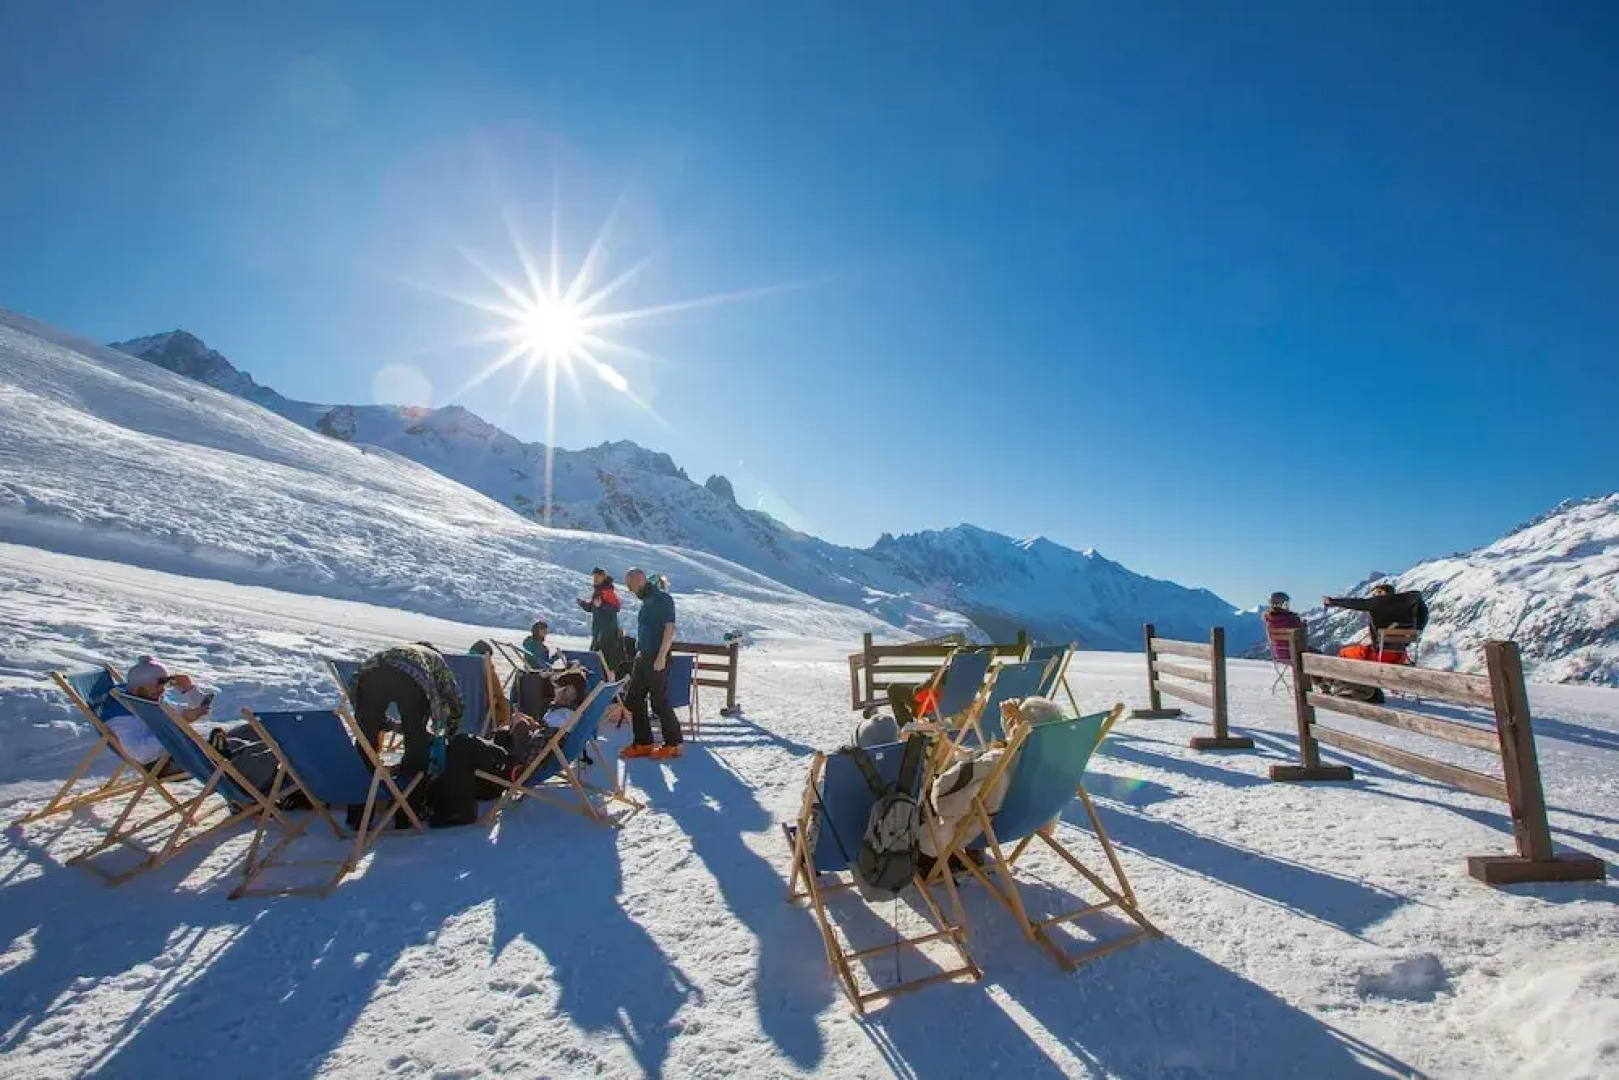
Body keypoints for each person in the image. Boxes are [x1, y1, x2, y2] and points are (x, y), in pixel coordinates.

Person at [917, 696, 1066, 876]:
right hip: (1011, 826)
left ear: (1020, 729)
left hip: (973, 831)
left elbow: (943, 801)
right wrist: (1012, 732)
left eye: (1015, 722)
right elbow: (1019, 748)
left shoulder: (996, 763)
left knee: (928, 792)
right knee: (977, 786)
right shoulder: (1054, 769)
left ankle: (929, 859)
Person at [347, 642, 463, 775]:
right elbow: (453, 698)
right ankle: (412, 775)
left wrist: (380, 721)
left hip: (371, 673)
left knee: (368, 728)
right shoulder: (435, 658)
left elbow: (359, 697)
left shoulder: (399, 649)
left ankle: (362, 770)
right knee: (415, 732)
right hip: (412, 678)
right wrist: (449, 732)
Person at [619, 568, 683, 760]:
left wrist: (661, 656)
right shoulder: (646, 602)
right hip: (643, 656)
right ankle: (644, 743)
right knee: (634, 700)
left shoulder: (662, 599)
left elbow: (669, 628)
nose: (629, 590)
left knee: (659, 702)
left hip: (657, 657)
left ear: (638, 582)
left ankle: (673, 745)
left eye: (630, 586)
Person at [110, 656, 217, 770]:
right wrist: (179, 723)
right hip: (162, 764)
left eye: (164, 684)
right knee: (224, 755)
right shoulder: (122, 717)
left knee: (228, 742)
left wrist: (189, 690)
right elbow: (140, 754)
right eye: (157, 685)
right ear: (137, 687)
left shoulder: (146, 701)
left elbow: (200, 713)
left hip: (178, 751)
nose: (162, 690)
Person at [1323, 584, 1428, 662]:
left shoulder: (1378, 602)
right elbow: (1422, 620)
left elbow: (1355, 603)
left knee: (1344, 653)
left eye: (1376, 594)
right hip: (1400, 655)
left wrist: (1332, 601)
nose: (1373, 597)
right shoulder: (1410, 605)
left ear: (1383, 593)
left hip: (1379, 655)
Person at [578, 568, 625, 670]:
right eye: (594, 577)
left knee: (603, 658)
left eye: (597, 577)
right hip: (598, 631)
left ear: (603, 577)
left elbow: (616, 607)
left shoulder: (607, 590)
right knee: (595, 657)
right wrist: (582, 604)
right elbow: (592, 607)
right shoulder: (598, 591)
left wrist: (602, 605)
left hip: (607, 632)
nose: (595, 579)